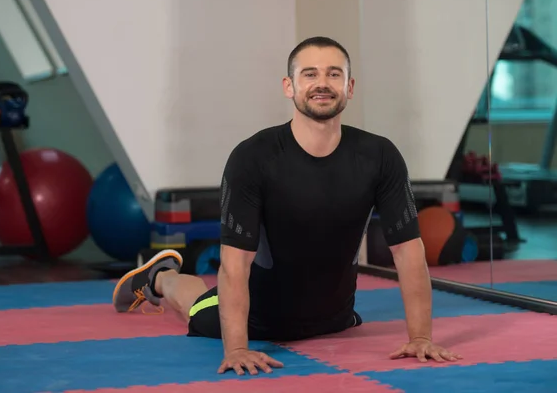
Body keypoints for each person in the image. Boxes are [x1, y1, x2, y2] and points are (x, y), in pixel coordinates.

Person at [112, 36, 462, 376]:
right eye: (309, 74)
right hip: (259, 318)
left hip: (336, 318)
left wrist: (420, 338)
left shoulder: (379, 156)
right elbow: (235, 264)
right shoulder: (253, 158)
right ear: (289, 86)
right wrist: (237, 348)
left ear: (350, 87)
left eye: (333, 74)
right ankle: (162, 277)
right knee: (197, 304)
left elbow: (408, 251)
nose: (322, 83)